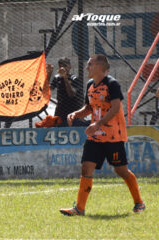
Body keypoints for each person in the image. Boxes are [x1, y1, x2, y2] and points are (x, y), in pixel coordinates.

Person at [60, 54, 145, 216]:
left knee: (121, 171)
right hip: (95, 136)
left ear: (100, 67)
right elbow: (89, 107)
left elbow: (115, 108)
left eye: (90, 64)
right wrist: (75, 114)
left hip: (113, 136)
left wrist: (97, 124)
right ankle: (79, 208)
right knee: (86, 167)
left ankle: (139, 202)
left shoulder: (112, 84)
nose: (87, 67)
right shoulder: (90, 85)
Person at [47, 57, 85, 127]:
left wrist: (65, 77)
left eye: (65, 66)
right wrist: (49, 73)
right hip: (60, 110)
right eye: (61, 66)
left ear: (69, 67)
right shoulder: (57, 77)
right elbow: (47, 89)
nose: (63, 68)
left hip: (72, 109)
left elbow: (71, 94)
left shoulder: (73, 78)